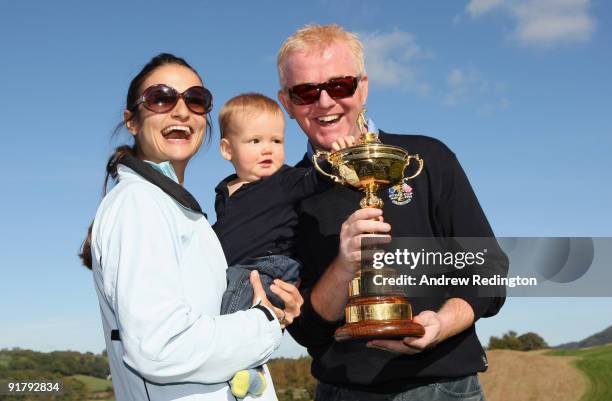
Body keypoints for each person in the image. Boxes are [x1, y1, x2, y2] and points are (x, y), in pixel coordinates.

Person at [276, 24, 509, 400]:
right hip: (343, 391)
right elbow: (304, 328)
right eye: (305, 92)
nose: (324, 103)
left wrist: (441, 323)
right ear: (286, 102)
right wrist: (344, 265)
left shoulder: (426, 158)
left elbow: (488, 270)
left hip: (441, 388)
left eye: (340, 86)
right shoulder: (282, 196)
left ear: (363, 86)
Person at [79, 53, 302, 401]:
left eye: (196, 100)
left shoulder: (182, 210)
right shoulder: (139, 202)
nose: (181, 110)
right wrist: (266, 321)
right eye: (161, 98)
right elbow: (160, 347)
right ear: (132, 121)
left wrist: (272, 312)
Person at [213, 93, 353, 398]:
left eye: (276, 141)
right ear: (227, 149)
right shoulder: (225, 190)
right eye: (255, 141)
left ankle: (242, 370)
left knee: (233, 313)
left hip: (269, 266)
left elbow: (317, 177)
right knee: (224, 306)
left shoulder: (285, 180)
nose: (268, 149)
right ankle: (247, 369)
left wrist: (337, 158)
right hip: (239, 267)